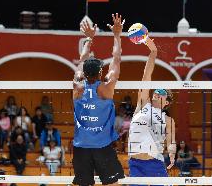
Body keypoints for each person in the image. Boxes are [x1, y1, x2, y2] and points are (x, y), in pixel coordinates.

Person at [72, 13, 125, 186]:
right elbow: (116, 59)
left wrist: (89, 38)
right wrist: (117, 35)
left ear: (83, 73)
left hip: (81, 147)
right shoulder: (107, 88)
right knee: (112, 184)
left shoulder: (77, 85)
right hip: (102, 146)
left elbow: (82, 59)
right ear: (101, 72)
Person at [128, 37, 176, 183]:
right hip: (135, 163)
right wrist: (153, 52)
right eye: (156, 90)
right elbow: (146, 77)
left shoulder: (168, 120)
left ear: (167, 102)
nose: (156, 92)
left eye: (161, 92)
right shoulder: (143, 104)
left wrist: (172, 153)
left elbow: (171, 141)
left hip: (155, 163)